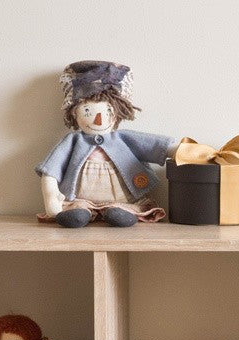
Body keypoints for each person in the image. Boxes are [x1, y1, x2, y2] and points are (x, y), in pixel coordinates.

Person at [36, 60, 178, 227]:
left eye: (109, 110)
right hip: (81, 200)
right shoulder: (72, 141)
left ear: (118, 112)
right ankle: (80, 214)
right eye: (87, 110)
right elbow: (51, 171)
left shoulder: (123, 138)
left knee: (119, 213)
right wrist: (51, 196)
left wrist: (179, 150)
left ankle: (119, 212)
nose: (99, 119)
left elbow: (152, 145)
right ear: (74, 113)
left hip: (121, 200)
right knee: (77, 213)